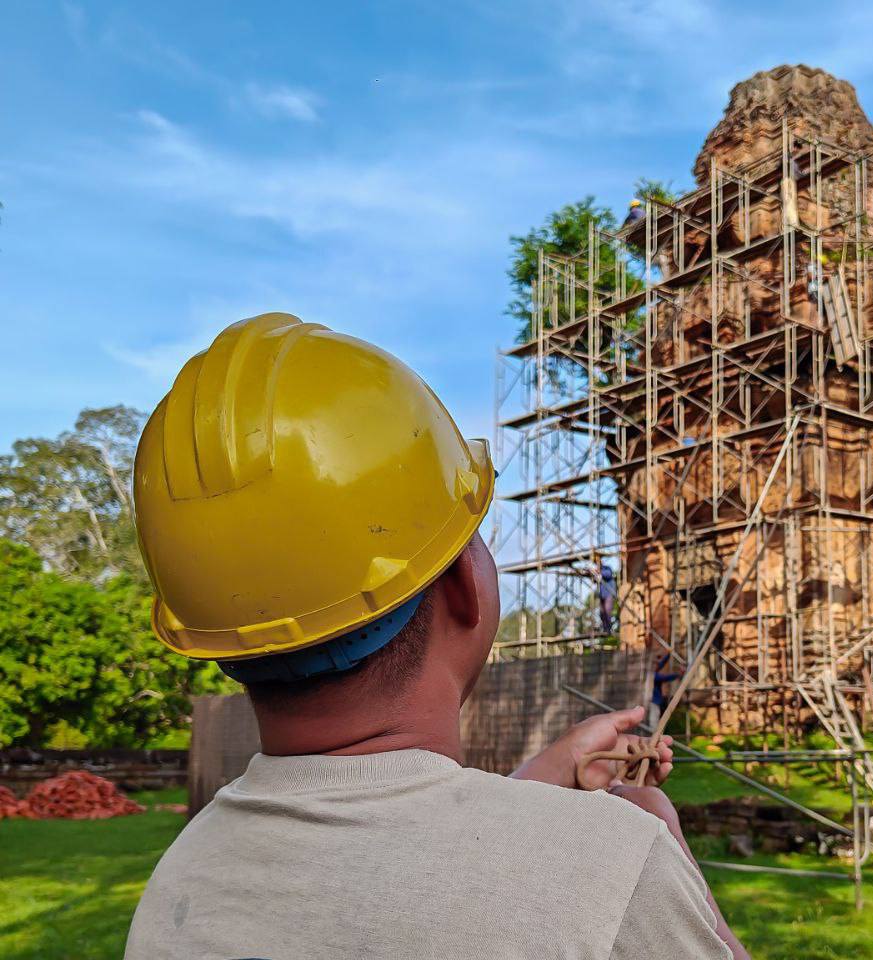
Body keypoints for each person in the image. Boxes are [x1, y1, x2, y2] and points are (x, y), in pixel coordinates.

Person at [124, 313, 747, 959]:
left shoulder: (182, 883)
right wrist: (665, 859)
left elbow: (405, 859)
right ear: (464, 587)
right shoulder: (612, 870)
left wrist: (545, 774)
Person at [650, 652, 683, 730]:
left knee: (658, 719)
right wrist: (678, 674)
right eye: (656, 663)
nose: (658, 664)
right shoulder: (652, 675)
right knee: (654, 722)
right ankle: (653, 734)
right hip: (654, 702)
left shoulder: (654, 670)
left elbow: (661, 664)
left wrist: (669, 653)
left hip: (657, 701)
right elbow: (665, 678)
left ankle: (656, 732)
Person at [598, 558, 619, 634]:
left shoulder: (607, 568)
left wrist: (599, 572)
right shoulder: (599, 571)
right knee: (602, 613)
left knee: (607, 611)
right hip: (602, 595)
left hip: (609, 594)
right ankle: (604, 628)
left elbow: (608, 574)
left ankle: (608, 629)